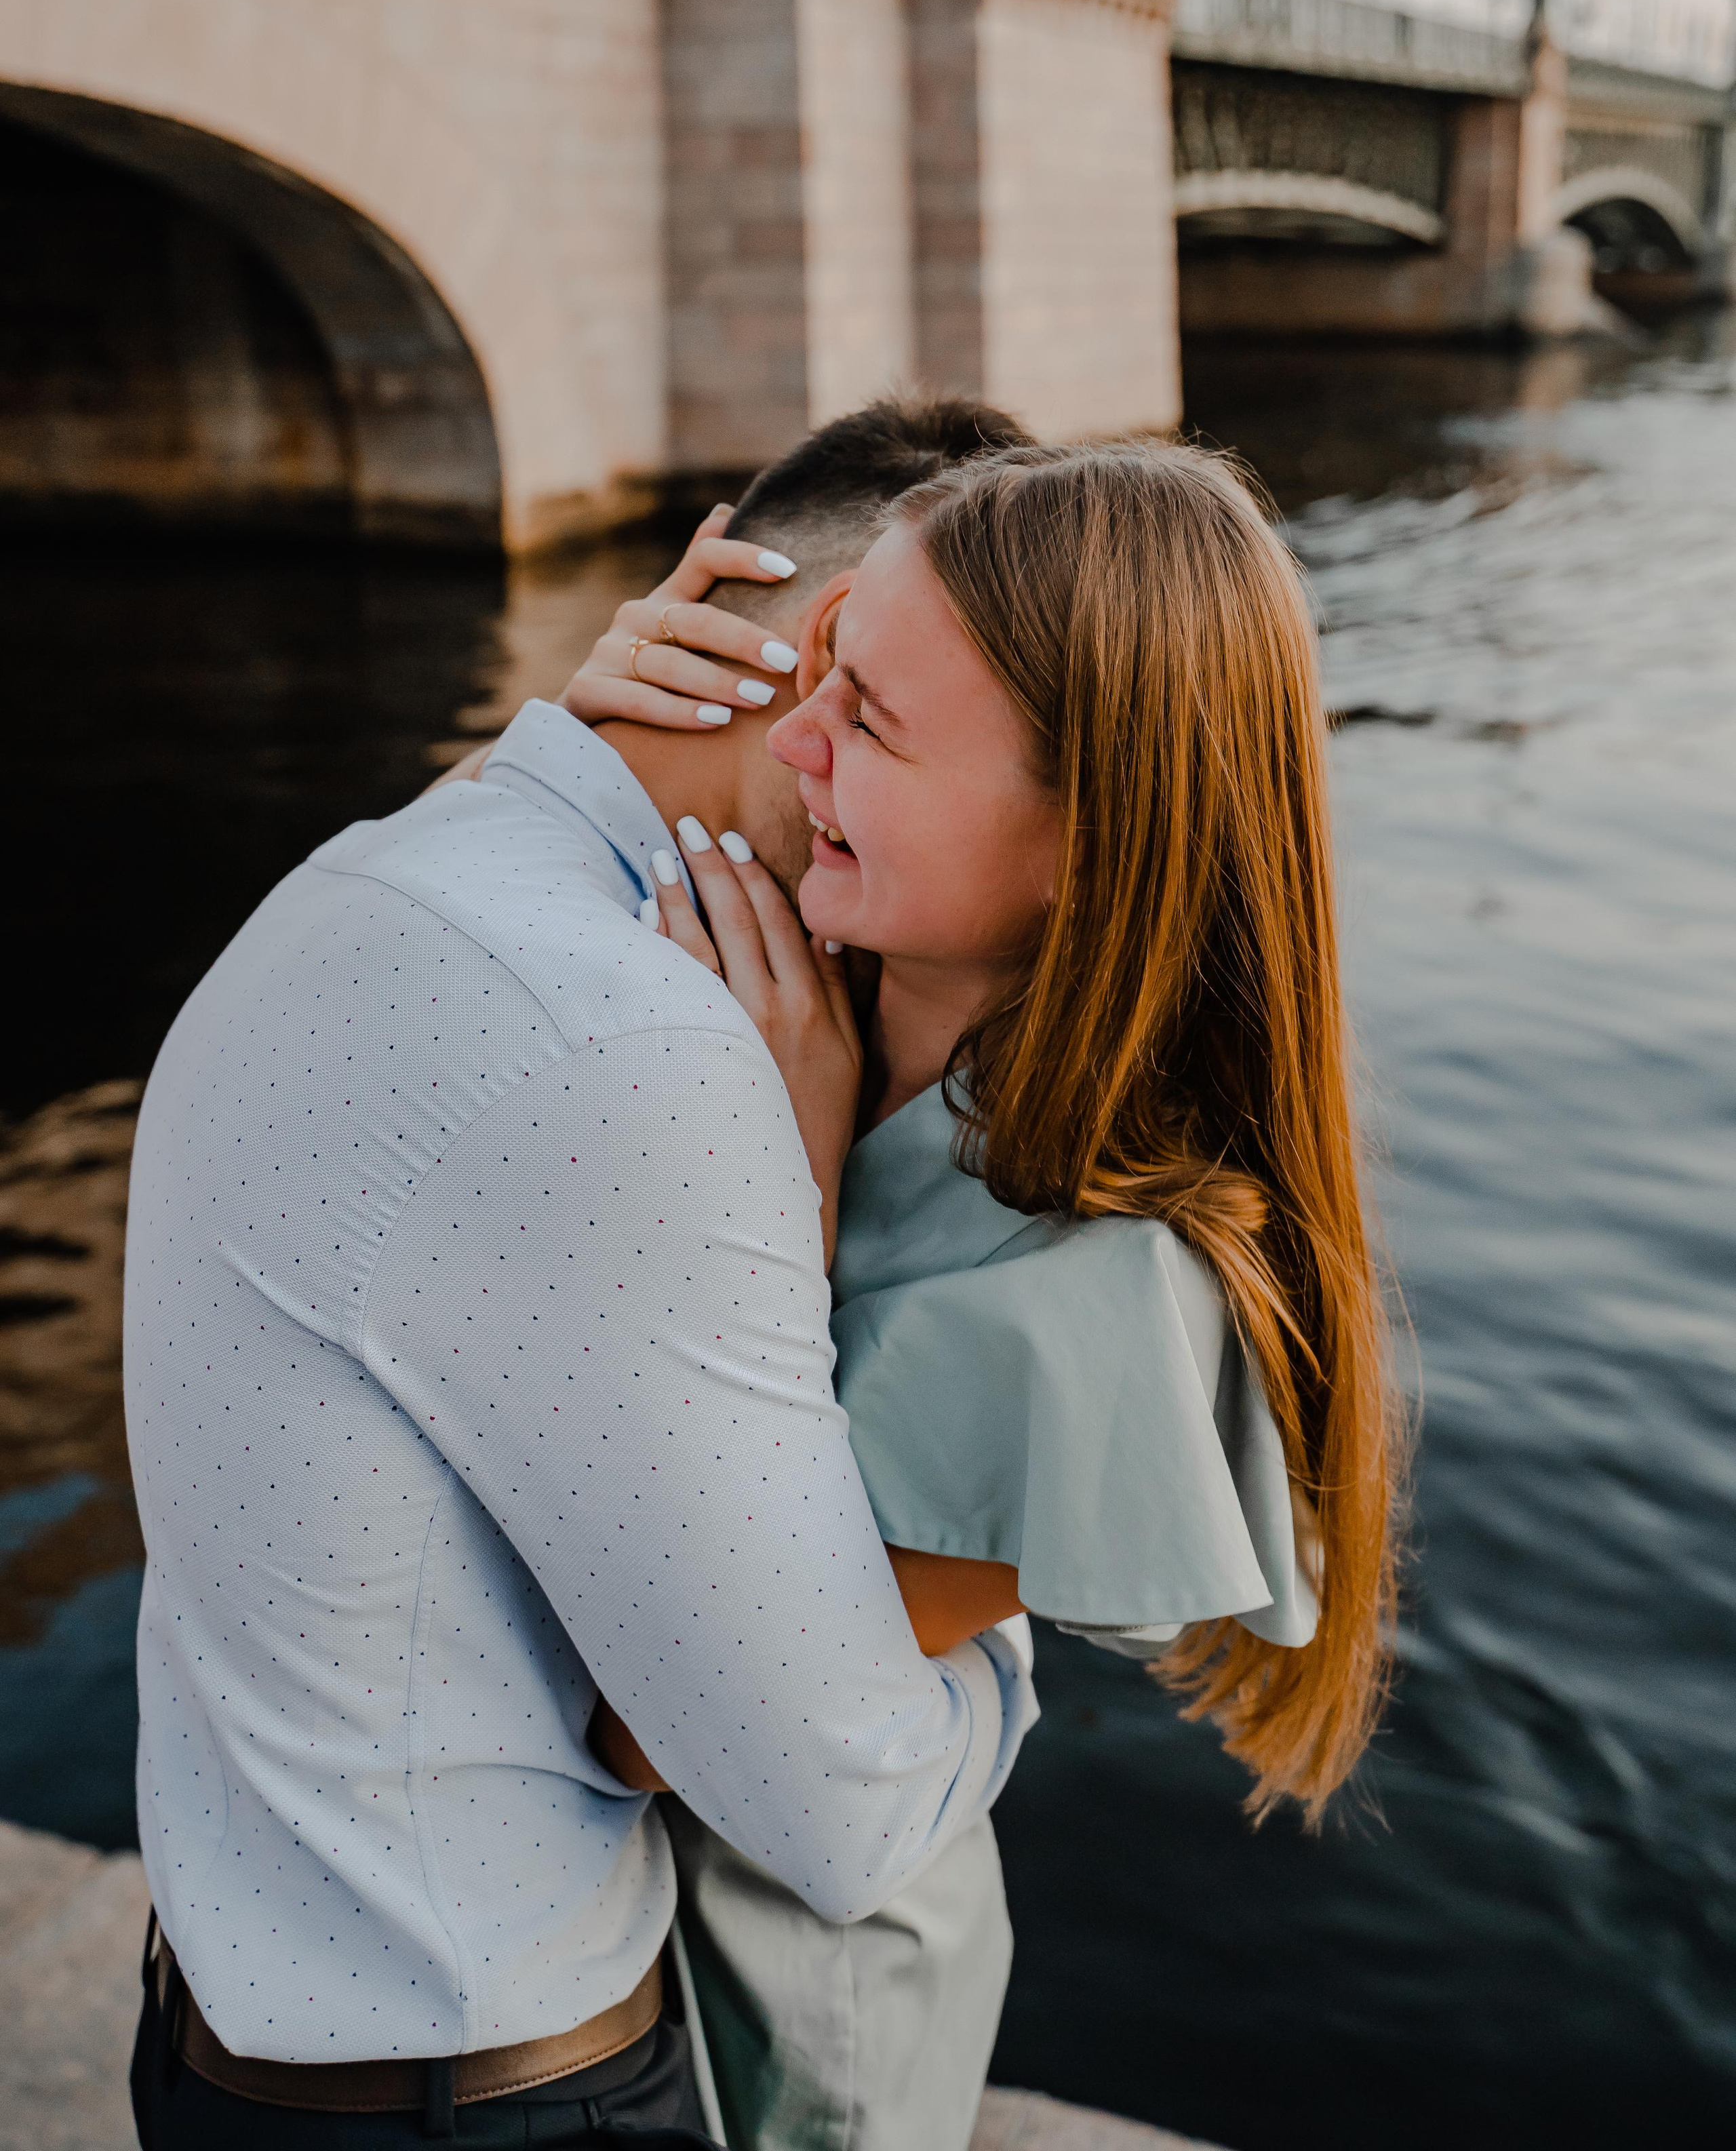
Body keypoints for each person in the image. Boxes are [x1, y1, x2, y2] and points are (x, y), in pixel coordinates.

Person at [118, 403, 1042, 2148]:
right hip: (485, 2093)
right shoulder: (633, 1042)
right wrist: (1021, 1606)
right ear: (825, 648)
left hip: (233, 2029)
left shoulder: (386, 866)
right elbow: (832, 1810)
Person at [550, 419, 1398, 2151]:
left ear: (1085, 844)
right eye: (815, 671)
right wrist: (585, 746)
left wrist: (768, 1192)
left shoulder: (1085, 1303)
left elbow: (665, 1726)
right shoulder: (846, 978)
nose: (788, 743)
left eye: (865, 719)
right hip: (614, 1970)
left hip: (785, 2049)